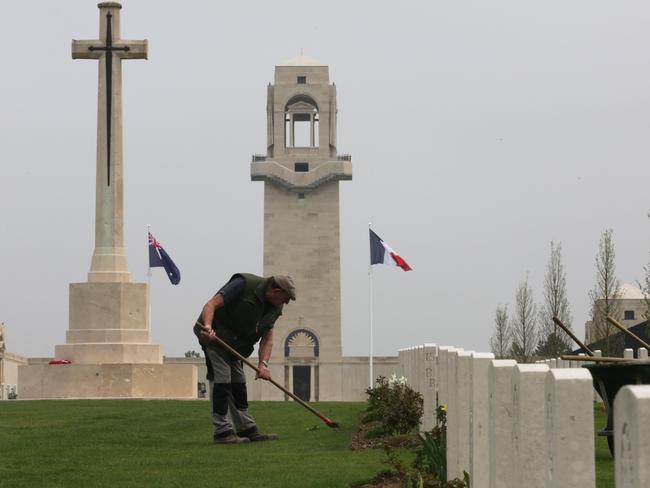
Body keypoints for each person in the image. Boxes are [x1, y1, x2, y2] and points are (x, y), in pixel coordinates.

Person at [194, 272, 296, 444]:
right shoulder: (244, 284)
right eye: (285, 298)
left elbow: (267, 339)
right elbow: (210, 305)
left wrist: (263, 364)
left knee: (239, 384)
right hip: (215, 338)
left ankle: (246, 428)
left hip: (236, 347)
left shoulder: (275, 307)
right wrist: (208, 326)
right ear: (276, 291)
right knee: (222, 380)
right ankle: (222, 432)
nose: (285, 303)